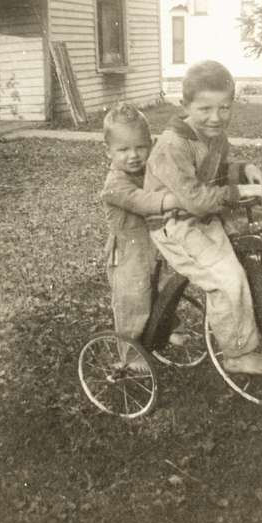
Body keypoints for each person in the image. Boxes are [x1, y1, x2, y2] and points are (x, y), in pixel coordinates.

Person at [144, 60, 262, 376]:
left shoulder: (214, 135)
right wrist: (234, 194)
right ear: (185, 105)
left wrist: (241, 168)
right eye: (205, 109)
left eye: (224, 108)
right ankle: (235, 353)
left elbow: (219, 167)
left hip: (208, 214)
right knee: (228, 278)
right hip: (177, 225)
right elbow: (194, 199)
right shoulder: (172, 144)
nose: (216, 117)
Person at [101, 102, 183, 369]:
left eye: (140, 147)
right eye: (123, 150)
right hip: (129, 252)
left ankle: (162, 331)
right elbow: (143, 201)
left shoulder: (150, 170)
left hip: (155, 244)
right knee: (133, 300)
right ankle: (131, 355)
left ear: (152, 144)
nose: (133, 155)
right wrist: (176, 199)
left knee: (163, 291)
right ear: (109, 152)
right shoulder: (115, 185)